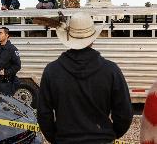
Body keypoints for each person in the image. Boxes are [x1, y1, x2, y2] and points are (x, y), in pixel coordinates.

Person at [37, 12, 133, 144]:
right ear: (93, 39)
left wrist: (55, 138)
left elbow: (43, 113)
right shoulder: (111, 70)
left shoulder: (51, 71)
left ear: (68, 38)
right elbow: (124, 114)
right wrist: (109, 134)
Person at [0, 27, 21, 95]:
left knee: (5, 104)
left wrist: (6, 72)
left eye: (1, 33)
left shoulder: (12, 49)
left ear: (7, 35)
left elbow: (17, 66)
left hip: (6, 83)